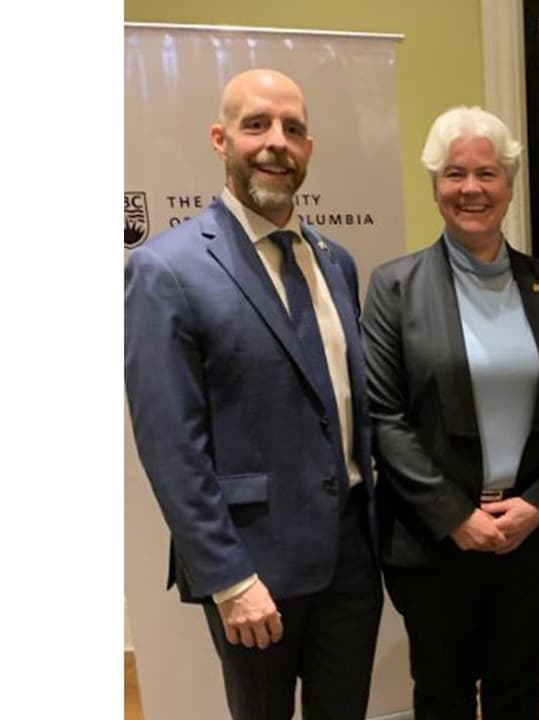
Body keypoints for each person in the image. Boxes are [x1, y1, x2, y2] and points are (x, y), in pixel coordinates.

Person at [123, 68, 382, 720]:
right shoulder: (167, 269)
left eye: (293, 129)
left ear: (310, 149)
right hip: (254, 565)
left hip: (351, 556)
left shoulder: (335, 261)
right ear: (220, 139)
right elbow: (170, 443)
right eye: (256, 125)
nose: (277, 143)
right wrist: (229, 578)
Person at [361, 106, 539, 720]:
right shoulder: (394, 288)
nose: (471, 189)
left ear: (509, 185)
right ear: (435, 185)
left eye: (486, 173)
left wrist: (538, 505)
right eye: (454, 173)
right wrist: (456, 515)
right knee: (442, 694)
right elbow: (384, 416)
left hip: (531, 538)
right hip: (433, 544)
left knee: (517, 692)